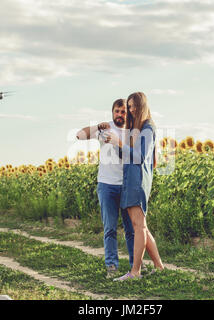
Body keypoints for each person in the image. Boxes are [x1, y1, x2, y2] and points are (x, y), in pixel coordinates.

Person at [105, 92, 165, 281]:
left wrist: (120, 143)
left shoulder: (147, 128)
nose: (131, 110)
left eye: (134, 106)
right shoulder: (139, 129)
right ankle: (160, 267)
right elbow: (128, 155)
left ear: (142, 105)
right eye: (129, 106)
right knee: (142, 227)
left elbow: (139, 157)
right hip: (132, 180)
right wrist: (115, 144)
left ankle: (135, 272)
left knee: (138, 227)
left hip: (136, 182)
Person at [76, 99, 135, 278]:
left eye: (123, 112)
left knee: (130, 230)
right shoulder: (105, 128)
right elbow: (79, 135)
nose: (119, 115)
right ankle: (112, 266)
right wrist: (96, 127)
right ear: (112, 113)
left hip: (126, 186)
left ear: (128, 113)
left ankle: (135, 266)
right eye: (117, 111)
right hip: (107, 185)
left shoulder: (133, 131)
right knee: (109, 228)